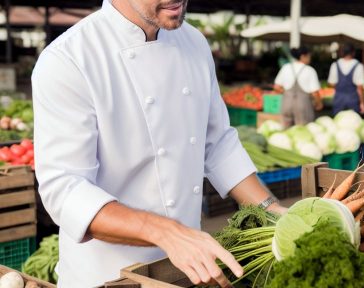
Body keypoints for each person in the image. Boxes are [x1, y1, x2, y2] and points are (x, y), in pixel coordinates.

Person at [31, 1, 287, 287]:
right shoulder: (69, 59)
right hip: (107, 276)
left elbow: (217, 143)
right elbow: (65, 191)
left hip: (189, 269)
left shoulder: (194, 42)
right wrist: (168, 233)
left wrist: (273, 211)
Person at [274, 47, 322, 128]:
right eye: (309, 56)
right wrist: (319, 103)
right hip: (303, 106)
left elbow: (276, 87)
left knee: (286, 130)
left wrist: (287, 93)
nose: (310, 58)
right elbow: (315, 92)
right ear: (303, 56)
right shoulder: (310, 70)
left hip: (286, 104)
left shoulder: (286, 67)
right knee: (303, 130)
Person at [327, 43, 364, 115]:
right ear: (353, 52)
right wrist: (362, 103)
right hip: (353, 98)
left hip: (339, 98)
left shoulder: (335, 65)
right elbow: (360, 87)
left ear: (342, 52)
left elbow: (331, 83)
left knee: (338, 120)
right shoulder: (358, 66)